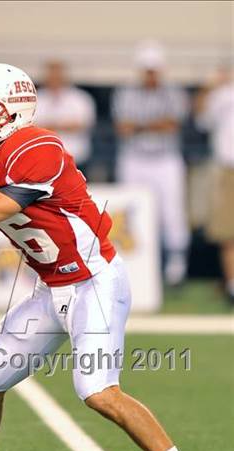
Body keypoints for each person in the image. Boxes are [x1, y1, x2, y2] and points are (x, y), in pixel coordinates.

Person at [0, 63, 222, 451]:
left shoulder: (37, 149)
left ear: (13, 112)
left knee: (97, 389)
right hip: (50, 287)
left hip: (93, 282)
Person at [112, 41, 190, 286]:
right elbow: (123, 128)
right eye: (147, 70)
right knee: (132, 210)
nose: (151, 75)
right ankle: (138, 264)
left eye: (154, 70)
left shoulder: (174, 92)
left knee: (172, 212)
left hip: (166, 159)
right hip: (134, 158)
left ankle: (175, 267)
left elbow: (172, 125)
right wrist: (153, 125)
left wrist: (139, 126)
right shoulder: (126, 92)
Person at [194, 67, 234, 304]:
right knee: (227, 231)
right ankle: (231, 286)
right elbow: (201, 120)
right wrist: (209, 87)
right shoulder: (223, 93)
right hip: (227, 167)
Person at [35, 60, 96, 177]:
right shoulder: (37, 97)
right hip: (44, 161)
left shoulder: (80, 98)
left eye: (58, 74)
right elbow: (31, 127)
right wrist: (64, 125)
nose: (55, 77)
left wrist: (48, 126)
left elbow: (82, 125)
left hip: (76, 159)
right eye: (51, 74)